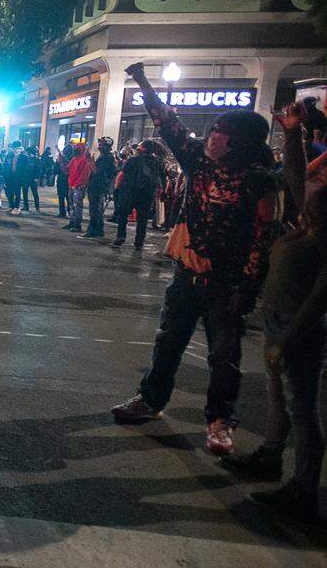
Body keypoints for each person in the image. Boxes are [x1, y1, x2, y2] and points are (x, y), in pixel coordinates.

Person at [111, 62, 277, 456]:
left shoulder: (258, 179)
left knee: (224, 356)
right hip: (187, 273)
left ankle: (220, 422)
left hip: (228, 283)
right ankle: (151, 400)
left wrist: (248, 288)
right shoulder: (199, 164)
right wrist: (142, 81)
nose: (212, 135)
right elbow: (168, 124)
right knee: (169, 341)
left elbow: (261, 237)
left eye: (221, 131)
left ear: (239, 140)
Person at [219, 101, 327, 521]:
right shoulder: (310, 224)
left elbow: (321, 296)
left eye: (318, 190)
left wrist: (286, 337)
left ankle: (303, 488)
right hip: (278, 318)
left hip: (299, 327)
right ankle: (270, 454)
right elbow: (298, 179)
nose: (307, 192)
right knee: (278, 396)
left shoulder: (320, 238)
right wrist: (292, 134)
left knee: (303, 407)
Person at [112, 140, 163, 249]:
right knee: (142, 219)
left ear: (143, 148)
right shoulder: (157, 162)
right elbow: (160, 178)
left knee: (123, 215)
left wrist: (116, 188)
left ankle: (120, 237)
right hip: (147, 194)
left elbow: (121, 175)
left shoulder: (133, 160)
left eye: (140, 145)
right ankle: (139, 243)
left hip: (130, 191)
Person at [82, 137, 117, 238]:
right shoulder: (103, 156)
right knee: (97, 209)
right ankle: (99, 230)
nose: (99, 146)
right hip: (96, 185)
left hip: (99, 186)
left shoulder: (107, 157)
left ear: (107, 146)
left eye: (101, 144)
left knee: (95, 209)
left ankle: (92, 230)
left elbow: (97, 171)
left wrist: (89, 159)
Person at [64, 139, 92, 232]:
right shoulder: (73, 159)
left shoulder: (84, 160)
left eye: (77, 148)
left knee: (77, 206)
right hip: (72, 185)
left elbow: (85, 174)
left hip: (78, 187)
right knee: (71, 205)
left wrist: (78, 184)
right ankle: (72, 222)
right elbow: (67, 170)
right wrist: (61, 163)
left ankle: (77, 225)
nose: (75, 150)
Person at [56, 145, 72, 218]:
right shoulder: (73, 158)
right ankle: (68, 211)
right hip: (68, 180)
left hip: (63, 179)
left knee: (62, 197)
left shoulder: (63, 159)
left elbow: (56, 169)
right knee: (68, 197)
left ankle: (63, 212)